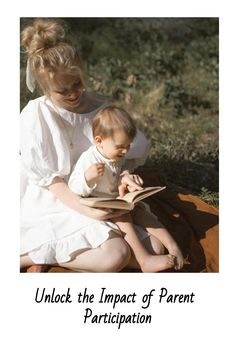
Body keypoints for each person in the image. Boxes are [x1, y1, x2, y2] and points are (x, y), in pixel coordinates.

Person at [20, 18, 160, 272]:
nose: (74, 94)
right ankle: (31, 255)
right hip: (58, 199)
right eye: (63, 91)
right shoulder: (37, 115)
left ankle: (57, 252)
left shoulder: (99, 107)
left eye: (77, 84)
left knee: (156, 247)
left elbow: (119, 152)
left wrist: (125, 173)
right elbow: (53, 182)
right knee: (115, 256)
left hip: (101, 195)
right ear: (45, 86)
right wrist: (89, 212)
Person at [68, 106, 184, 272]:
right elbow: (73, 186)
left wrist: (126, 178)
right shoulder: (89, 159)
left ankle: (173, 246)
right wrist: (88, 178)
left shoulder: (115, 153)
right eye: (120, 147)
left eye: (128, 146)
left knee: (141, 211)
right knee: (123, 217)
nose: (125, 151)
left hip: (116, 199)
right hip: (99, 205)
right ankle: (144, 259)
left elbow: (116, 175)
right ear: (99, 141)